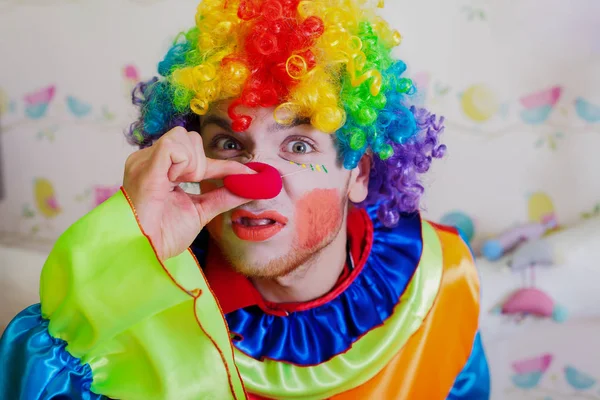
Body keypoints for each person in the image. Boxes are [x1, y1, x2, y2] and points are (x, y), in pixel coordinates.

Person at [0, 0, 491, 398]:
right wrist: (129, 253)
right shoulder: (136, 307)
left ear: (357, 173)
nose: (257, 180)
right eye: (230, 144)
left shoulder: (439, 281)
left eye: (298, 146)